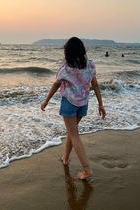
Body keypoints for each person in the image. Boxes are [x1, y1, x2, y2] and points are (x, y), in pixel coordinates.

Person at [40, 37, 106, 180]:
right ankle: (65, 157)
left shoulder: (66, 68)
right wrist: (101, 104)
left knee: (74, 135)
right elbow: (95, 85)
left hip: (70, 104)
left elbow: (56, 85)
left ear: (67, 52)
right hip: (83, 104)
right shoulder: (90, 65)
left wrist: (46, 101)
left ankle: (87, 170)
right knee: (72, 132)